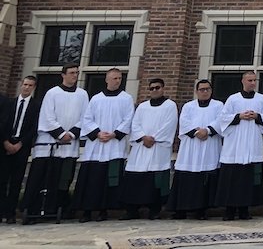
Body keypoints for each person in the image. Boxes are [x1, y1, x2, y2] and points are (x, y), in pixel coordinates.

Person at [21, 64, 89, 224]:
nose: (75, 76)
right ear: (63, 75)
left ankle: (59, 208)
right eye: (72, 73)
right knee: (41, 178)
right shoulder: (52, 93)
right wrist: (59, 133)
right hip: (48, 144)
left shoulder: (83, 94)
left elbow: (85, 116)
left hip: (69, 145)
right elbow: (47, 115)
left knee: (63, 179)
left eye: (77, 73)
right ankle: (33, 209)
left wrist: (71, 134)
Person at [73, 69, 134, 222]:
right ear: (107, 79)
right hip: (96, 147)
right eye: (114, 78)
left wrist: (114, 134)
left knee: (109, 181)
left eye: (120, 78)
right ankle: (87, 211)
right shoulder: (96, 99)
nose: (117, 81)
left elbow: (128, 119)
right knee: (91, 181)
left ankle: (103, 210)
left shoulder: (126, 98)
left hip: (114, 147)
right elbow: (87, 119)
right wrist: (97, 133)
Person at [216, 70, 263, 220]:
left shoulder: (262, 99)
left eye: (255, 80)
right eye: (250, 80)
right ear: (243, 81)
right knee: (232, 180)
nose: (253, 83)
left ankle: (244, 210)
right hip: (234, 145)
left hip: (252, 142)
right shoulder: (233, 99)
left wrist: (257, 116)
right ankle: (229, 210)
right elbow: (222, 118)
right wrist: (239, 116)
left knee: (247, 181)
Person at [119, 78, 178, 220]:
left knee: (155, 181)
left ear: (163, 88)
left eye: (157, 87)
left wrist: (154, 138)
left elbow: (169, 125)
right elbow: (135, 124)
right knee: (135, 179)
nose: (154, 90)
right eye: (151, 88)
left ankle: (154, 210)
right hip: (141, 147)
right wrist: (142, 137)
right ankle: (132, 210)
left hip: (158, 148)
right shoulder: (142, 106)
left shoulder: (170, 106)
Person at [168, 79, 223, 220]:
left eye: (207, 89)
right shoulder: (188, 106)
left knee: (205, 178)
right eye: (202, 89)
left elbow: (220, 121)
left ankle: (201, 210)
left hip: (209, 146)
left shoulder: (218, 105)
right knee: (186, 178)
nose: (205, 92)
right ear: (196, 91)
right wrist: (197, 132)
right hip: (191, 147)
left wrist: (208, 131)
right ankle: (181, 209)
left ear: (211, 91)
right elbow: (184, 122)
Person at [0, 76, 39, 224]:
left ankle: (10, 213)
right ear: (21, 85)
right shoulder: (9, 104)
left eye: (30, 85)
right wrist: (5, 142)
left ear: (34, 87)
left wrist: (20, 144)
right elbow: (2, 123)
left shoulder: (36, 106)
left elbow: (33, 128)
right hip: (5, 145)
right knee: (2, 180)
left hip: (22, 147)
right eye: (25, 84)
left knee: (16, 182)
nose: (26, 87)